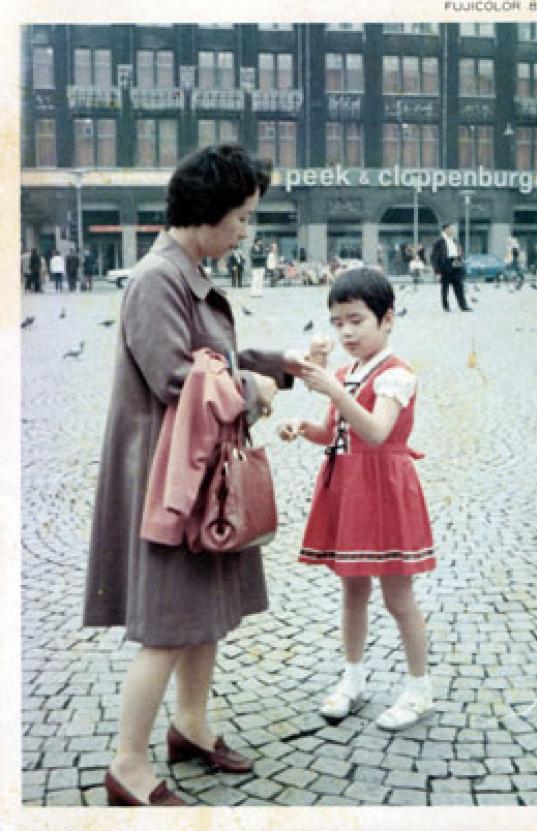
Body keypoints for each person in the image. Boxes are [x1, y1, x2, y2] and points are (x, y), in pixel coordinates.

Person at [83, 144, 306, 807]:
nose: (245, 231)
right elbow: (179, 377)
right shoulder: (157, 278)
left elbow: (219, 356)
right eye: (240, 218)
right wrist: (254, 386)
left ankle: (191, 725)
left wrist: (284, 362)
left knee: (203, 613)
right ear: (206, 214)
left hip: (198, 474)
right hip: (171, 484)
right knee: (168, 625)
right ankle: (128, 762)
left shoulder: (186, 271)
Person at [278, 268, 436, 731]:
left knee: (398, 595)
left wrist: (330, 389)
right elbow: (337, 431)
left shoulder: (397, 374)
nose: (345, 331)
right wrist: (304, 429)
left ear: (387, 320)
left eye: (356, 320)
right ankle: (353, 678)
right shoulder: (346, 371)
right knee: (352, 588)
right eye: (337, 321)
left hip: (385, 489)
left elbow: (375, 430)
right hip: (349, 487)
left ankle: (418, 687)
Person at [431, 222, 471, 312]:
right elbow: (434, 257)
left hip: (456, 264)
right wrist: (437, 270)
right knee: (445, 288)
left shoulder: (455, 240)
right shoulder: (439, 242)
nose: (452, 230)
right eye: (450, 229)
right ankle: (446, 306)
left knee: (459, 286)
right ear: (445, 230)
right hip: (445, 265)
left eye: (452, 229)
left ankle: (463, 306)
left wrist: (460, 256)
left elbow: (459, 252)